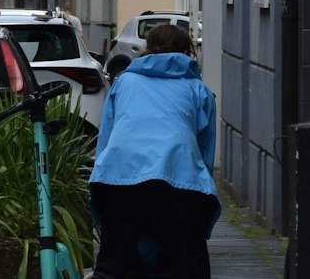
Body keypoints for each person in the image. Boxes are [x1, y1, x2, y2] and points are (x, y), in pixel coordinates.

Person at [89, 23, 219, 278]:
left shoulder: (124, 82)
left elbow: (107, 137)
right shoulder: (198, 90)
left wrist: (100, 184)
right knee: (188, 267)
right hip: (179, 177)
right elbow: (205, 151)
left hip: (121, 175)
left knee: (113, 265)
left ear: (148, 48)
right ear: (186, 52)